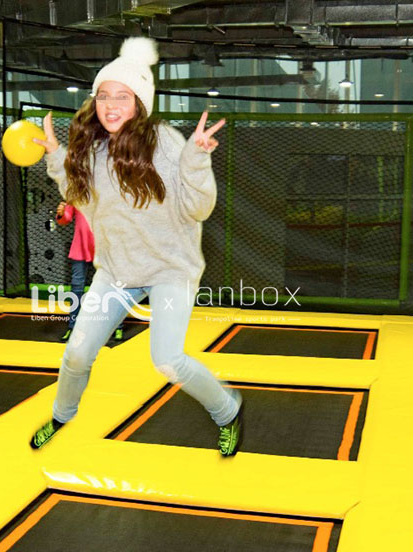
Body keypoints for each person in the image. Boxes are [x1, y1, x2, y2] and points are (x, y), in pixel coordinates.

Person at [29, 37, 243, 457]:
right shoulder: (90, 149)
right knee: (77, 352)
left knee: (167, 360)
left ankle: (227, 410)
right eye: (104, 95)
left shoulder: (165, 143)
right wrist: (57, 156)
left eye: (122, 96)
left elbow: (199, 208)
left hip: (169, 270)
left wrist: (196, 160)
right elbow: (78, 195)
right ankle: (62, 414)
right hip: (117, 272)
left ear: (140, 102)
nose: (111, 104)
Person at [55, 201, 123, 343]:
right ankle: (73, 327)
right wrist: (61, 214)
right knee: (77, 287)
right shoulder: (75, 193)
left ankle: (117, 326)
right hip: (81, 247)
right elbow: (66, 218)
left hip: (105, 247)